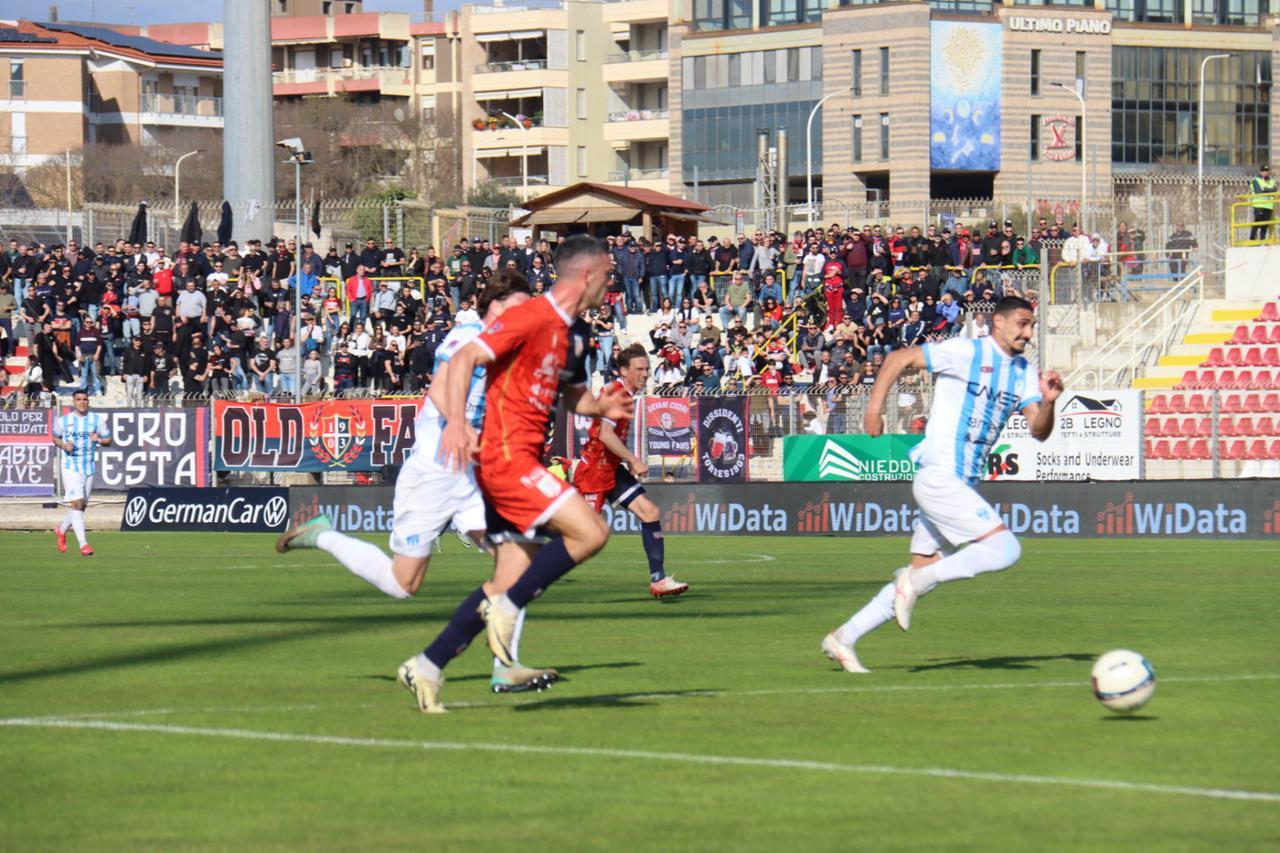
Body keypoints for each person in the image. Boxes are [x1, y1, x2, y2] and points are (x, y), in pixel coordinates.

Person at [275, 270, 553, 695]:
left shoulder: (508, 344)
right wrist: (461, 424)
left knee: (515, 561)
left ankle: (505, 666)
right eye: (517, 309)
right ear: (494, 306)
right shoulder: (468, 336)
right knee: (404, 585)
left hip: (475, 474)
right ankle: (324, 535)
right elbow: (443, 389)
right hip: (436, 472)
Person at [398, 235, 630, 713]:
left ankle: (429, 664)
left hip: (524, 459)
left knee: (508, 578)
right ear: (585, 275)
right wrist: (459, 423)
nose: (612, 286)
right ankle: (505, 612)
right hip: (506, 459)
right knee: (591, 531)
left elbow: (574, 399)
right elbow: (465, 359)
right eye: (607, 276)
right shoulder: (528, 317)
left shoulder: (578, 336)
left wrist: (599, 406)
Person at [821, 296, 1064, 673]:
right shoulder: (966, 351)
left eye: (1032, 325)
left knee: (923, 574)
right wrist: (873, 410)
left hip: (961, 483)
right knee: (1004, 549)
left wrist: (1048, 403)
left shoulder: (1022, 373)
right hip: (940, 475)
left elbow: (1039, 430)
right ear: (997, 323)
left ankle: (843, 637)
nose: (1028, 333)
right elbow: (898, 358)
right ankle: (914, 580)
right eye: (1022, 323)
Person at [570, 342, 690, 598]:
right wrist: (634, 460)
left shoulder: (624, 392)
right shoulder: (617, 394)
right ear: (623, 370)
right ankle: (521, 537)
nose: (645, 373)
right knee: (583, 536)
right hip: (594, 471)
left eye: (647, 368)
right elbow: (604, 434)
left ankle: (658, 580)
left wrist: (625, 461)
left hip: (610, 469)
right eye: (639, 369)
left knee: (649, 511)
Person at [51, 389, 113, 557]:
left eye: (85, 399)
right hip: (71, 466)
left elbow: (108, 439)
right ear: (74, 402)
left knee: (80, 507)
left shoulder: (96, 420)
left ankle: (61, 530)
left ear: (88, 401)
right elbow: (55, 437)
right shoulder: (64, 421)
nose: (82, 402)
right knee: (77, 504)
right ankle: (84, 545)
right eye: (78, 399)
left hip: (89, 466)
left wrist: (99, 440)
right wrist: (63, 445)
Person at [1248, 164, 1276, 242]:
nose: (1265, 172)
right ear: (1260, 172)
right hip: (1259, 205)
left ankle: (1262, 239)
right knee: (1258, 221)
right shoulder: (1256, 181)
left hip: (1268, 205)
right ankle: (1252, 238)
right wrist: (1269, 190)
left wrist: (1265, 189)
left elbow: (1275, 190)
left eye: (1267, 171)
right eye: (1263, 171)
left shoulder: (1271, 181)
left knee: (1265, 224)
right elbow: (1258, 191)